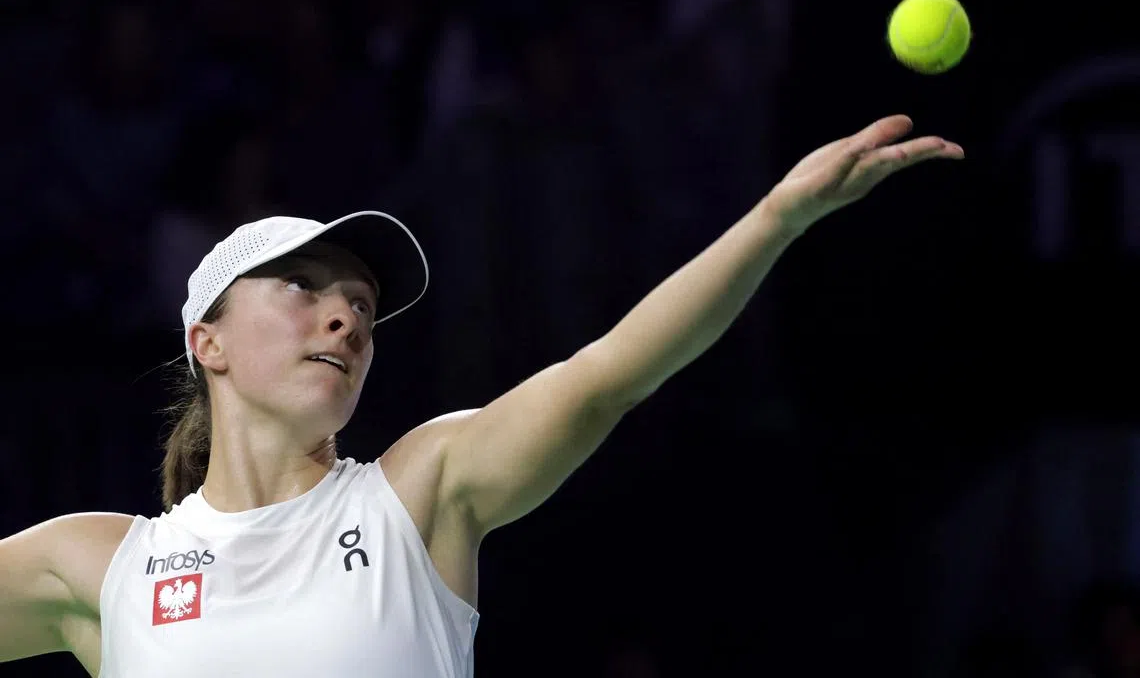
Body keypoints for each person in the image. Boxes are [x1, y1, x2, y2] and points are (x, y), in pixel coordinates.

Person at [0, 115, 962, 677]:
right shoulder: (99, 567)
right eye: (303, 289)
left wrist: (777, 218)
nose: (344, 319)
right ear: (206, 339)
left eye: (361, 305)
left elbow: (612, 370)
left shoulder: (420, 495)